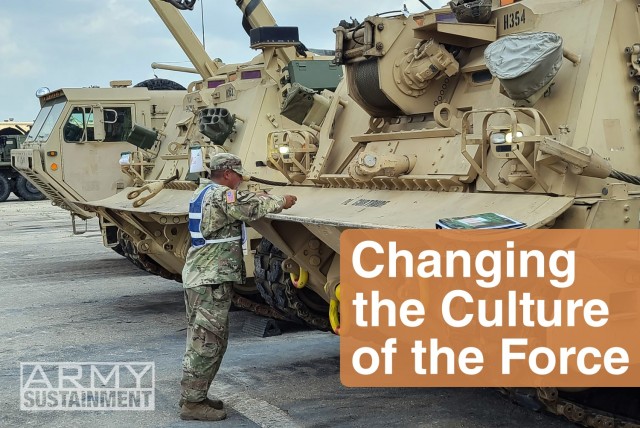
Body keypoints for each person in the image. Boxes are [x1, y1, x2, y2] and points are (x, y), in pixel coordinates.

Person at [179, 153, 297, 421]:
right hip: (211, 278)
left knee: (205, 338)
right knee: (207, 341)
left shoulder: (202, 191)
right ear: (229, 173)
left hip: (202, 275)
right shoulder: (223, 195)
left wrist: (261, 195)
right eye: (239, 174)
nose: (241, 179)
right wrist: (283, 200)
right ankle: (192, 403)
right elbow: (250, 208)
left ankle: (196, 395)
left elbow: (243, 203)